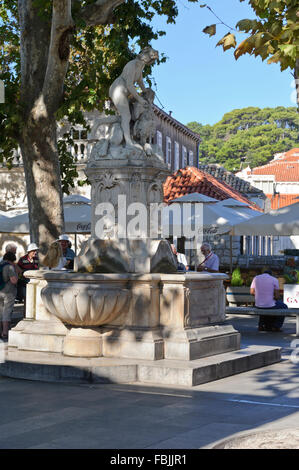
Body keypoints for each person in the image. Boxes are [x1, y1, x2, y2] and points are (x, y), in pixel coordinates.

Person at [0, 252, 18, 340]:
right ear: (12, 260)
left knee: (0, 311)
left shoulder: (0, 264)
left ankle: (1, 331)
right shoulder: (9, 267)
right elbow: (14, 280)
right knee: (7, 311)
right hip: (8, 293)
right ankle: (5, 333)